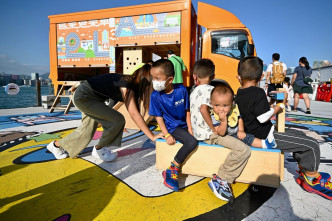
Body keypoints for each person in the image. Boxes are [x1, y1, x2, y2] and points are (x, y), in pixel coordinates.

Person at [235, 56, 332, 200]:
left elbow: (253, 111)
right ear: (261, 76)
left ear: (238, 77)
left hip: (260, 132)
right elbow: (262, 117)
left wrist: (270, 107)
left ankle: (305, 168)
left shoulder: (239, 93)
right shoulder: (258, 92)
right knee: (312, 145)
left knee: (302, 137)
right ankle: (311, 179)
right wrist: (278, 107)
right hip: (266, 137)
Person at [47, 64, 162, 161]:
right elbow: (134, 114)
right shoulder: (126, 85)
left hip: (88, 96)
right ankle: (99, 149)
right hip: (84, 97)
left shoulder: (129, 82)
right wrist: (152, 136)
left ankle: (55, 145)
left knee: (87, 130)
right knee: (117, 120)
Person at [190, 59, 251, 202]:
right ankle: (222, 178)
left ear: (195, 76)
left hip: (198, 132)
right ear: (212, 76)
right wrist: (213, 128)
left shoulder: (193, 92)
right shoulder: (213, 91)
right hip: (210, 134)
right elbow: (204, 109)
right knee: (243, 150)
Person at [149, 59, 198, 192]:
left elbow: (187, 111)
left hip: (184, 125)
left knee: (198, 138)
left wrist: (190, 128)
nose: (154, 81)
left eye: (157, 78)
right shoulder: (155, 96)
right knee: (192, 142)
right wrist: (167, 134)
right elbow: (158, 117)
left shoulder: (181, 90)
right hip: (172, 127)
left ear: (170, 79)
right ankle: (172, 169)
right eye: (153, 78)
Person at [210, 83, 276, 149]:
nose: (221, 109)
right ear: (211, 103)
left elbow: (239, 119)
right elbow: (221, 133)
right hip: (226, 136)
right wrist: (223, 121)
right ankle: (264, 144)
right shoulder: (214, 116)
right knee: (247, 139)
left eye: (225, 105)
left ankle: (265, 143)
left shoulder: (233, 110)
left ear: (231, 104)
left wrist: (241, 130)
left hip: (236, 132)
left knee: (246, 135)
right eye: (217, 105)